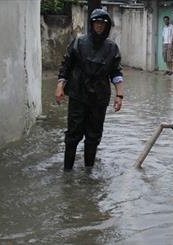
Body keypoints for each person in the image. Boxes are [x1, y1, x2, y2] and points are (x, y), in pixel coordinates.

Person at [55, 8, 124, 171]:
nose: (99, 26)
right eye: (96, 23)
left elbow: (116, 72)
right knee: (73, 135)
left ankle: (88, 172)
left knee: (93, 136)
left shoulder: (112, 48)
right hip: (78, 94)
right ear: (91, 24)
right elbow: (66, 65)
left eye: (102, 24)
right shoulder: (79, 42)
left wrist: (119, 95)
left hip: (99, 98)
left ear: (107, 27)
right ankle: (67, 171)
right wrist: (60, 86)